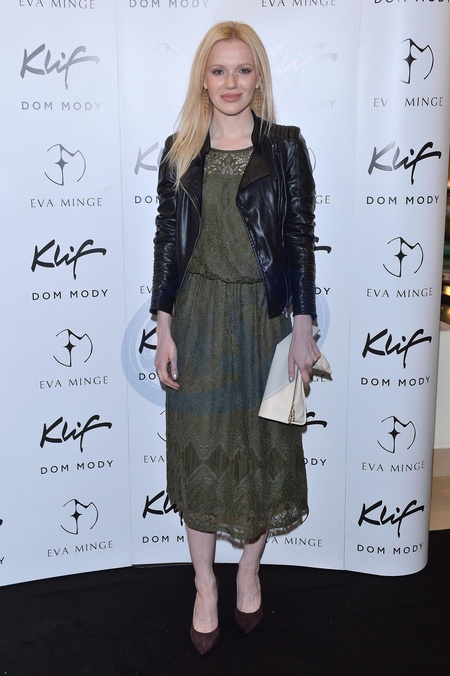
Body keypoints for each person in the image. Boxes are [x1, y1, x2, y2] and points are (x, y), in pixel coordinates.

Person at [151, 20, 319, 655]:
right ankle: (204, 585)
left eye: (243, 70)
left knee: (263, 451)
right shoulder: (181, 151)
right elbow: (168, 241)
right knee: (200, 451)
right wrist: (164, 326)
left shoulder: (285, 148)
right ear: (204, 77)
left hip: (263, 323)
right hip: (197, 318)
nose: (231, 82)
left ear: (259, 78)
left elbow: (299, 240)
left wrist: (302, 329)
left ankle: (248, 572)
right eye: (219, 70)